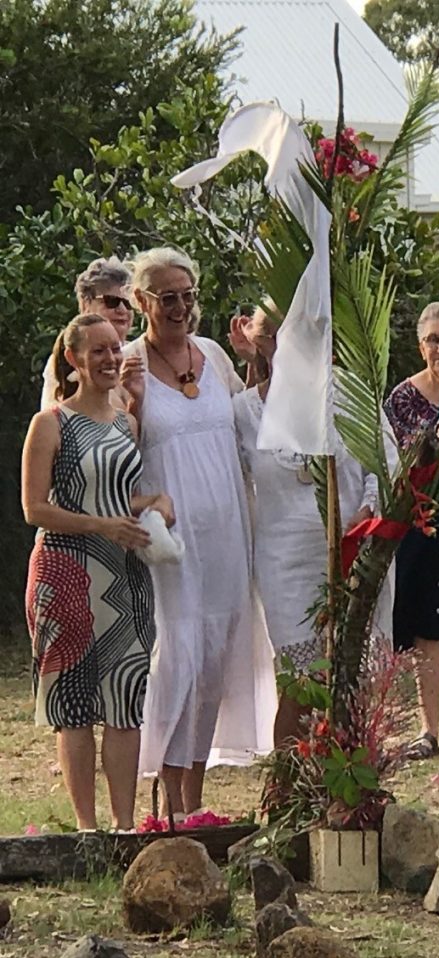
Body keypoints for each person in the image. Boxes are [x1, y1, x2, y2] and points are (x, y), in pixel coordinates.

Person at [121, 247, 275, 819]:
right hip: (172, 542)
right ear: (142, 302)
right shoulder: (129, 363)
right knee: (177, 660)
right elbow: (115, 454)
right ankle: (168, 800)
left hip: (228, 532)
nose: (181, 307)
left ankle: (194, 802)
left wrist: (258, 358)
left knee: (214, 661)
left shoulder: (211, 353)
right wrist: (133, 407)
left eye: (188, 295)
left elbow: (246, 425)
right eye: (168, 297)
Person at [23, 313, 173, 831]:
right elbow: (34, 508)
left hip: (126, 575)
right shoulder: (51, 423)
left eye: (115, 348)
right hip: (66, 572)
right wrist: (101, 527)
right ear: (73, 360)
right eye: (98, 351)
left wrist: (154, 502)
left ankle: (125, 826)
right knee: (75, 701)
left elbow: (118, 496)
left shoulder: (126, 422)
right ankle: (87, 831)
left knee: (126, 698)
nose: (111, 359)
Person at [234, 306, 395, 745]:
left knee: (352, 675)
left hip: (353, 549)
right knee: (301, 681)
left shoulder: (350, 394)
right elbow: (227, 486)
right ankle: (290, 790)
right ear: (262, 343)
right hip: (283, 562)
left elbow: (385, 463)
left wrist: (367, 513)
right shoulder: (244, 413)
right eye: (278, 337)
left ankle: (350, 791)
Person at [384, 301, 439, 759]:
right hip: (422, 522)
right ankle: (429, 729)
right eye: (433, 339)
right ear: (420, 346)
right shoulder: (402, 398)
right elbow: (391, 462)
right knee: (427, 627)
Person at [41, 257, 135, 409]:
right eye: (111, 301)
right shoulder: (65, 361)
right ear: (86, 305)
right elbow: (54, 418)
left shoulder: (141, 354)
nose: (122, 310)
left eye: (128, 302)